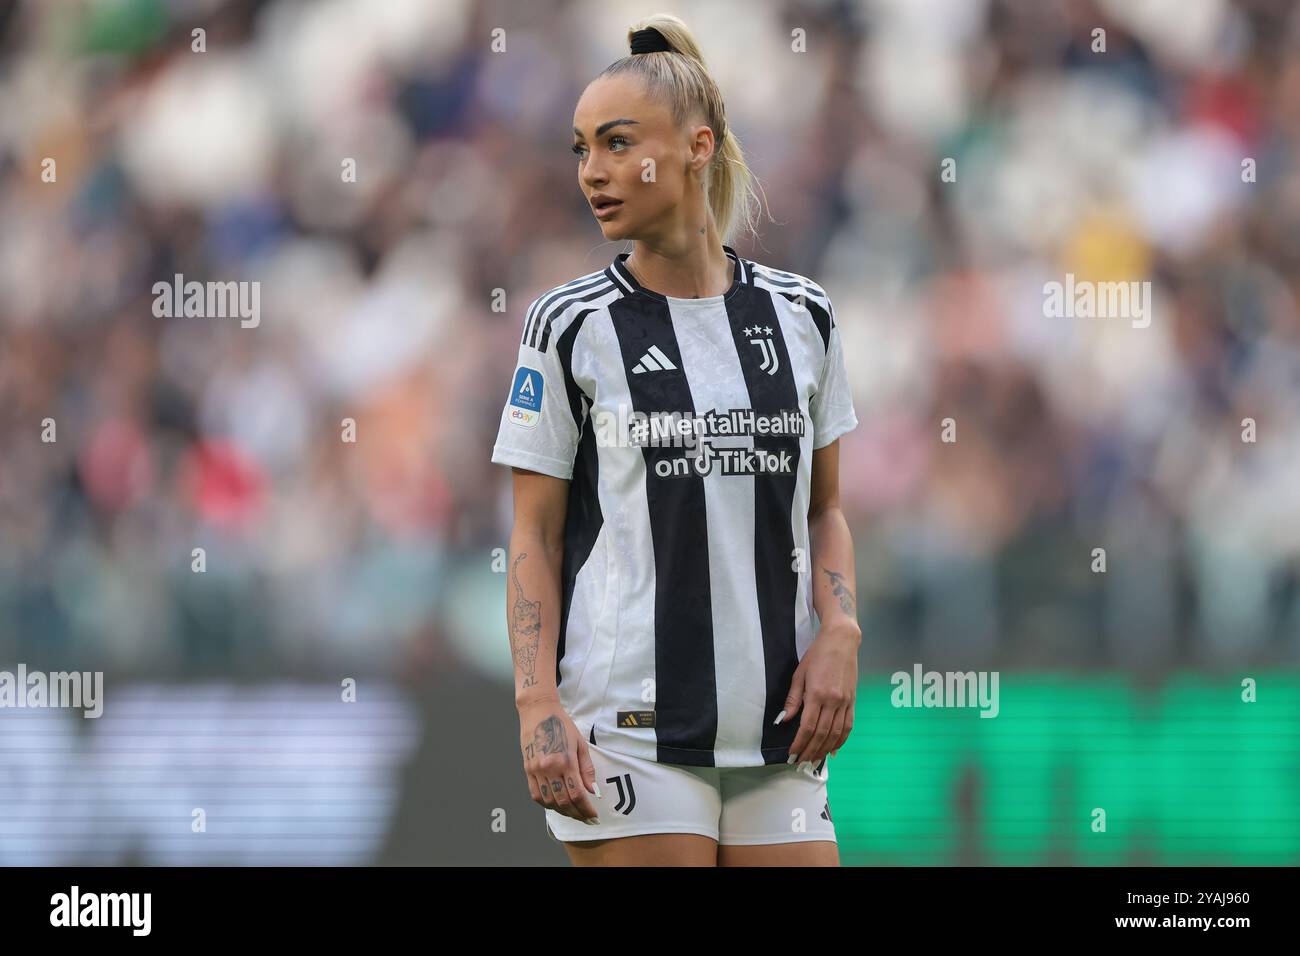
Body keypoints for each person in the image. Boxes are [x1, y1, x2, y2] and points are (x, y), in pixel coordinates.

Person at [491, 13, 861, 867]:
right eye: (581, 149)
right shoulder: (569, 326)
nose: (593, 173)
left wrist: (841, 631)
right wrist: (534, 700)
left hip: (780, 726)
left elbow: (828, 507)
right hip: (628, 728)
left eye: (618, 144)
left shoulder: (803, 315)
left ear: (698, 146)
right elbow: (535, 534)